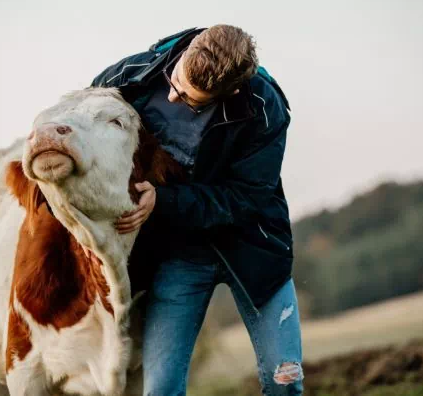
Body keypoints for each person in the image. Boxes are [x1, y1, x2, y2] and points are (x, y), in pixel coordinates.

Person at [91, 25, 303, 396]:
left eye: (190, 100)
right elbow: (88, 115)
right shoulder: (136, 74)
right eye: (175, 81)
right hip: (180, 255)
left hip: (253, 251)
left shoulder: (265, 110)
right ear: (186, 53)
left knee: (285, 382)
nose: (172, 96)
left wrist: (162, 201)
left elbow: (244, 198)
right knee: (160, 391)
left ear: (231, 92)